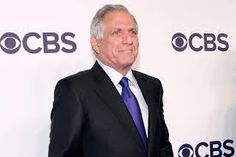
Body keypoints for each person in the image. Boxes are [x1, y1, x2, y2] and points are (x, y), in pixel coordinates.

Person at [49, 4, 173, 157]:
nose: (128, 40)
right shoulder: (75, 89)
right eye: (117, 33)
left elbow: (162, 147)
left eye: (132, 32)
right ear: (96, 43)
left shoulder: (153, 86)